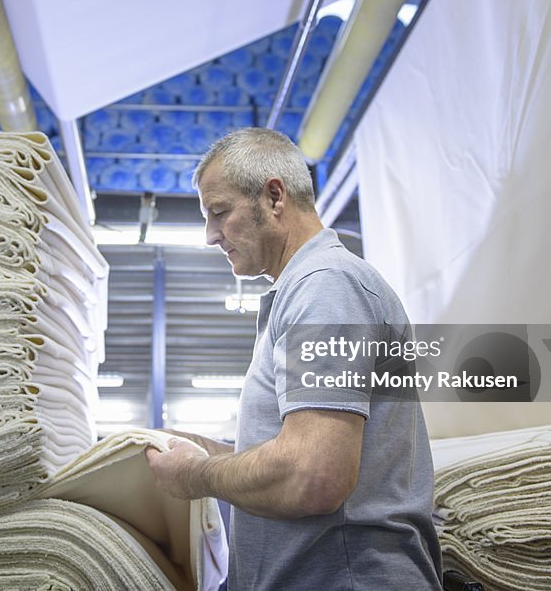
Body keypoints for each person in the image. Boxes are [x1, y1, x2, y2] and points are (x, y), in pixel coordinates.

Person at [146, 127, 442, 590]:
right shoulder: (304, 290)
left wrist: (196, 475)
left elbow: (314, 476)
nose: (210, 235)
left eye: (220, 213)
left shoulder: (327, 286)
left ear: (274, 196)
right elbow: (288, 456)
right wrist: (200, 449)